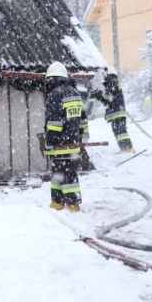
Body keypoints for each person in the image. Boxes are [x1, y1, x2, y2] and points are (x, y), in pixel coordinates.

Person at [44, 61, 89, 212]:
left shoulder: (54, 95)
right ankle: (62, 202)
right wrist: (82, 135)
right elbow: (82, 118)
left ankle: (68, 203)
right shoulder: (75, 93)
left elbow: (54, 122)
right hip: (72, 142)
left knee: (61, 172)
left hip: (59, 143)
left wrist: (50, 140)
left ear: (52, 80)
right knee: (66, 171)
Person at [92, 67, 133, 153]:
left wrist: (98, 93)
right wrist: (98, 95)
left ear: (109, 74)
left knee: (121, 132)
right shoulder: (112, 83)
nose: (104, 76)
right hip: (117, 113)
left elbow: (107, 96)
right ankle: (124, 148)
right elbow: (108, 99)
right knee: (119, 132)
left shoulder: (112, 82)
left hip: (117, 113)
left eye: (105, 74)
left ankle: (128, 148)